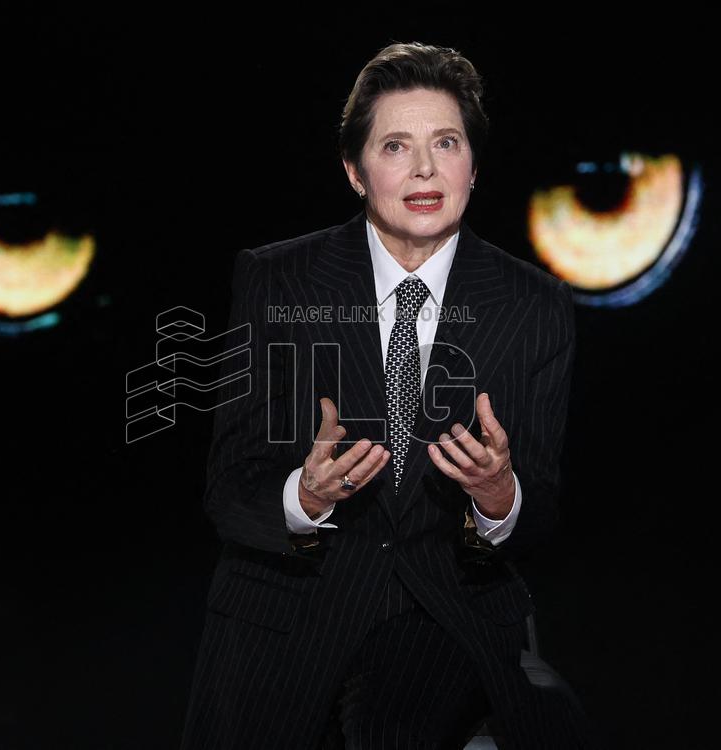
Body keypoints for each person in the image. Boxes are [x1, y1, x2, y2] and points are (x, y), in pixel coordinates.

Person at [180, 41, 597, 749]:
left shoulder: (535, 305)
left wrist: (500, 495)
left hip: (447, 616)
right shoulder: (278, 281)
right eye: (396, 145)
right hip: (287, 608)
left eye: (446, 143)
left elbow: (541, 513)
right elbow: (228, 489)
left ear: (473, 165)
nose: (425, 168)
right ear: (355, 169)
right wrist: (304, 496)